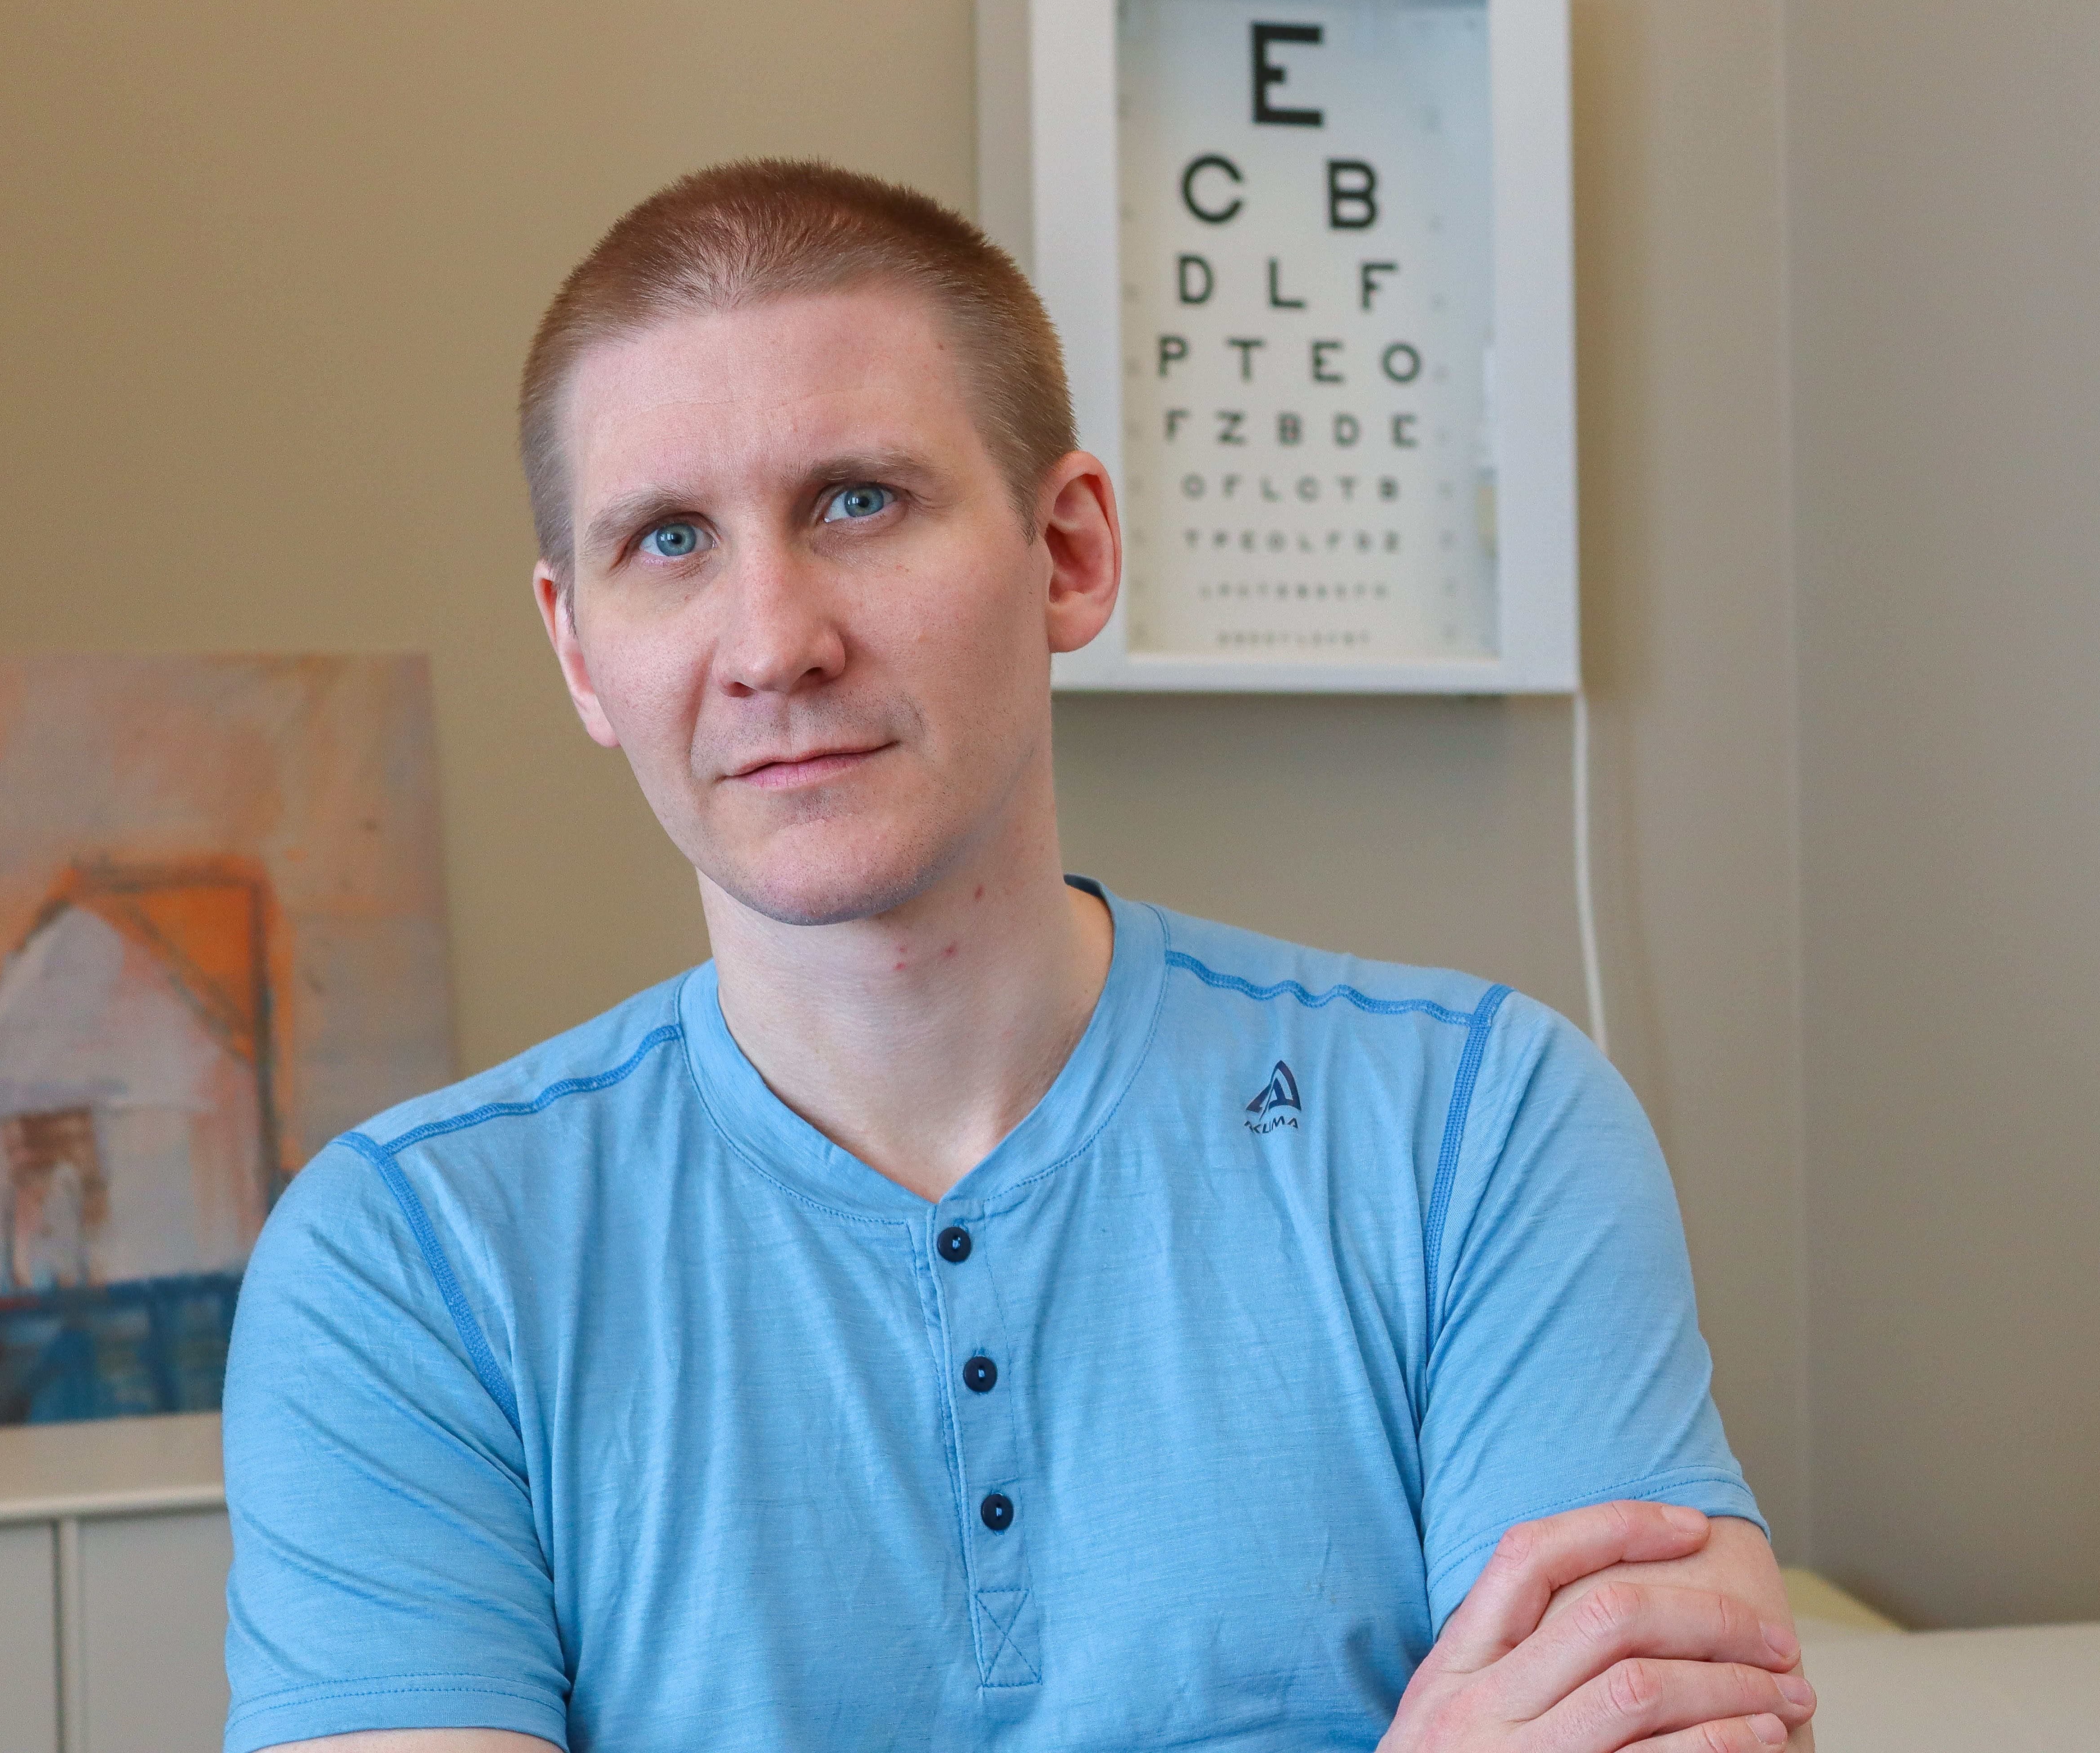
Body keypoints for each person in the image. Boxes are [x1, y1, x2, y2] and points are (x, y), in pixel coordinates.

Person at [220, 161, 1818, 1753]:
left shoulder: (1474, 1130)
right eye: (670, 540)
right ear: (578, 647)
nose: (773, 644)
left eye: (858, 501)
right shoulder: (409, 1265)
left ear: (1070, 553)